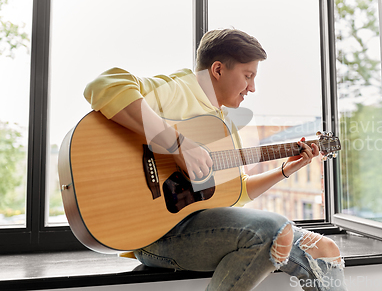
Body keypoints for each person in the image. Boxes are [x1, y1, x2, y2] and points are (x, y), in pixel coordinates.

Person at [84, 28, 348, 291]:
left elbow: (237, 192)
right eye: (248, 76)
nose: (253, 88)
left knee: (325, 249)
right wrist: (178, 145)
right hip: (157, 236)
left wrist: (285, 170)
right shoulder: (179, 90)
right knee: (274, 229)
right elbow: (104, 84)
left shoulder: (222, 123)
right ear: (218, 70)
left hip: (205, 229)